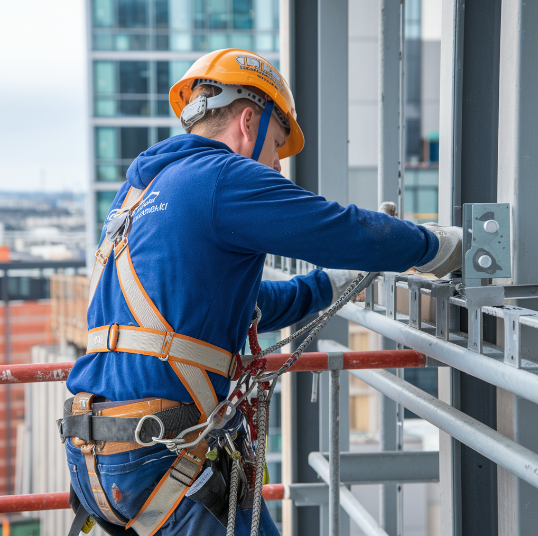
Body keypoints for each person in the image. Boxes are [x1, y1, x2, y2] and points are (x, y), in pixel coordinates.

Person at [60, 48, 462, 536]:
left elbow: (243, 311)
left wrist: (328, 286)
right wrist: (436, 246)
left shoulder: (136, 198)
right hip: (158, 453)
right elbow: (342, 229)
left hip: (94, 453)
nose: (275, 166)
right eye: (275, 146)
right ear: (247, 122)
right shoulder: (222, 178)